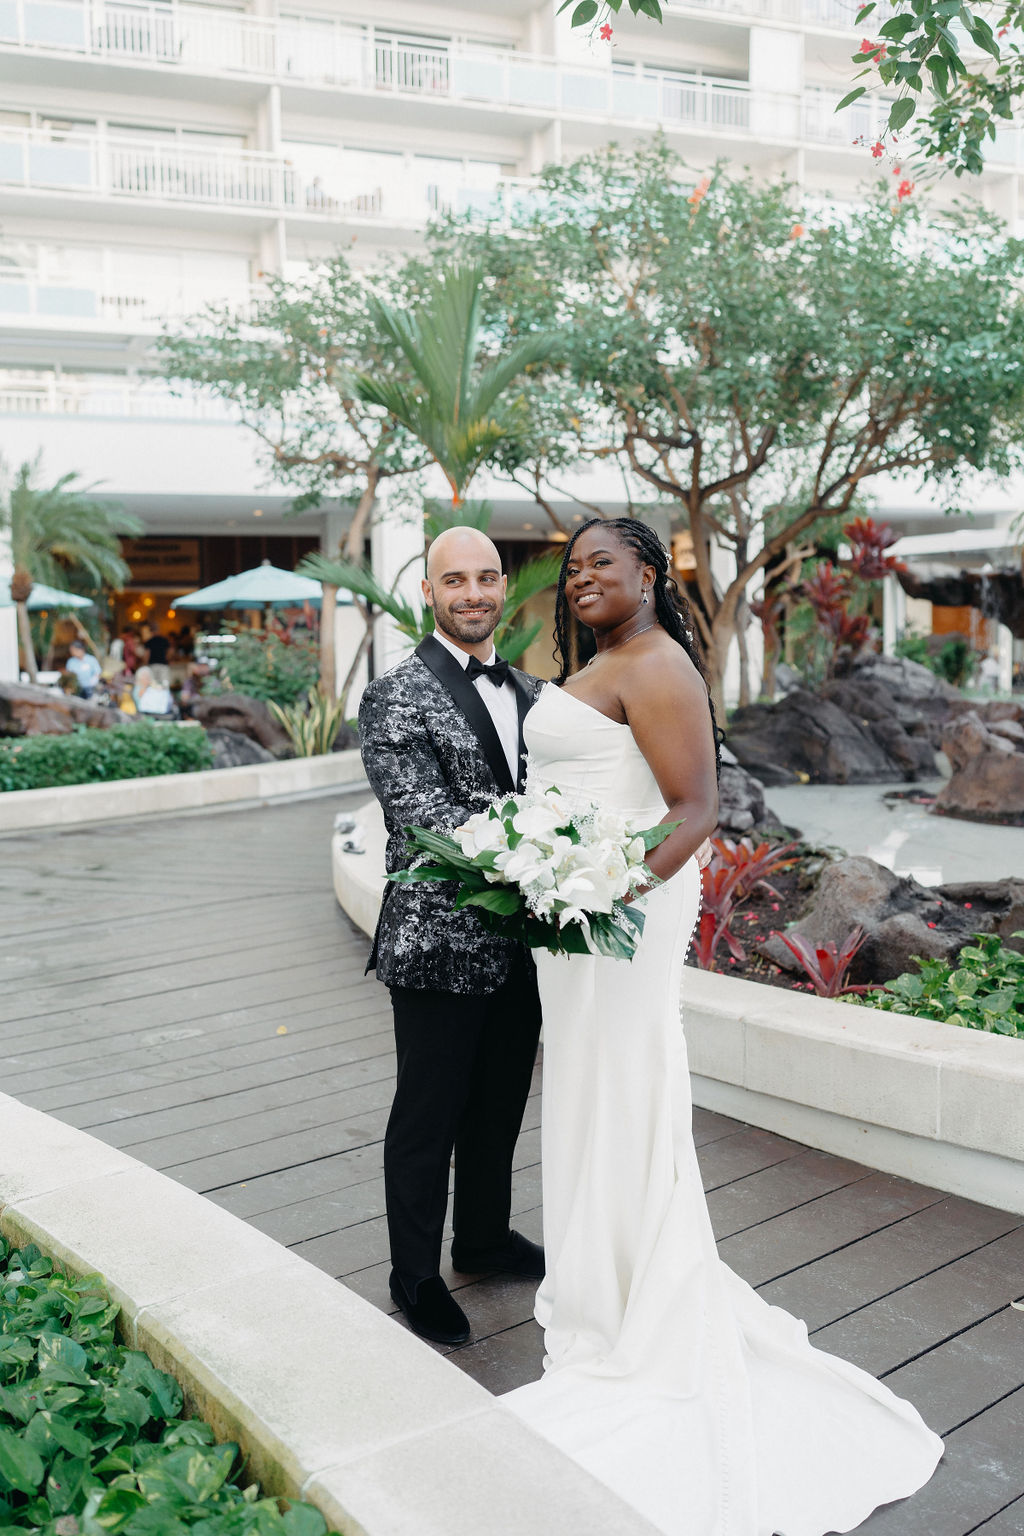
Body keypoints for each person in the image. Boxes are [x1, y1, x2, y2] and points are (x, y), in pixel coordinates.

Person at [502, 518, 943, 1536]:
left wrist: (598, 892)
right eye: (570, 568)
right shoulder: (611, 659)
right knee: (583, 1089)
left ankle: (630, 1299)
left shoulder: (655, 665)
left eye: (599, 564)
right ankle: (596, 1283)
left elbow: (693, 810)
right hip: (573, 916)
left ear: (649, 574)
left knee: (618, 1087)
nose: (579, 579)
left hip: (612, 916)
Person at [358, 527, 546, 1347]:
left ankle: (482, 1238)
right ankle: (415, 1275)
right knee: (428, 1114)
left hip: (526, 941)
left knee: (501, 1102)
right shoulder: (395, 694)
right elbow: (426, 819)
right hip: (437, 943)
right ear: (429, 593)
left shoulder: (536, 694)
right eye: (454, 580)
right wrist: (549, 846)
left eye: (486, 578)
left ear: (504, 587)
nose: (472, 593)